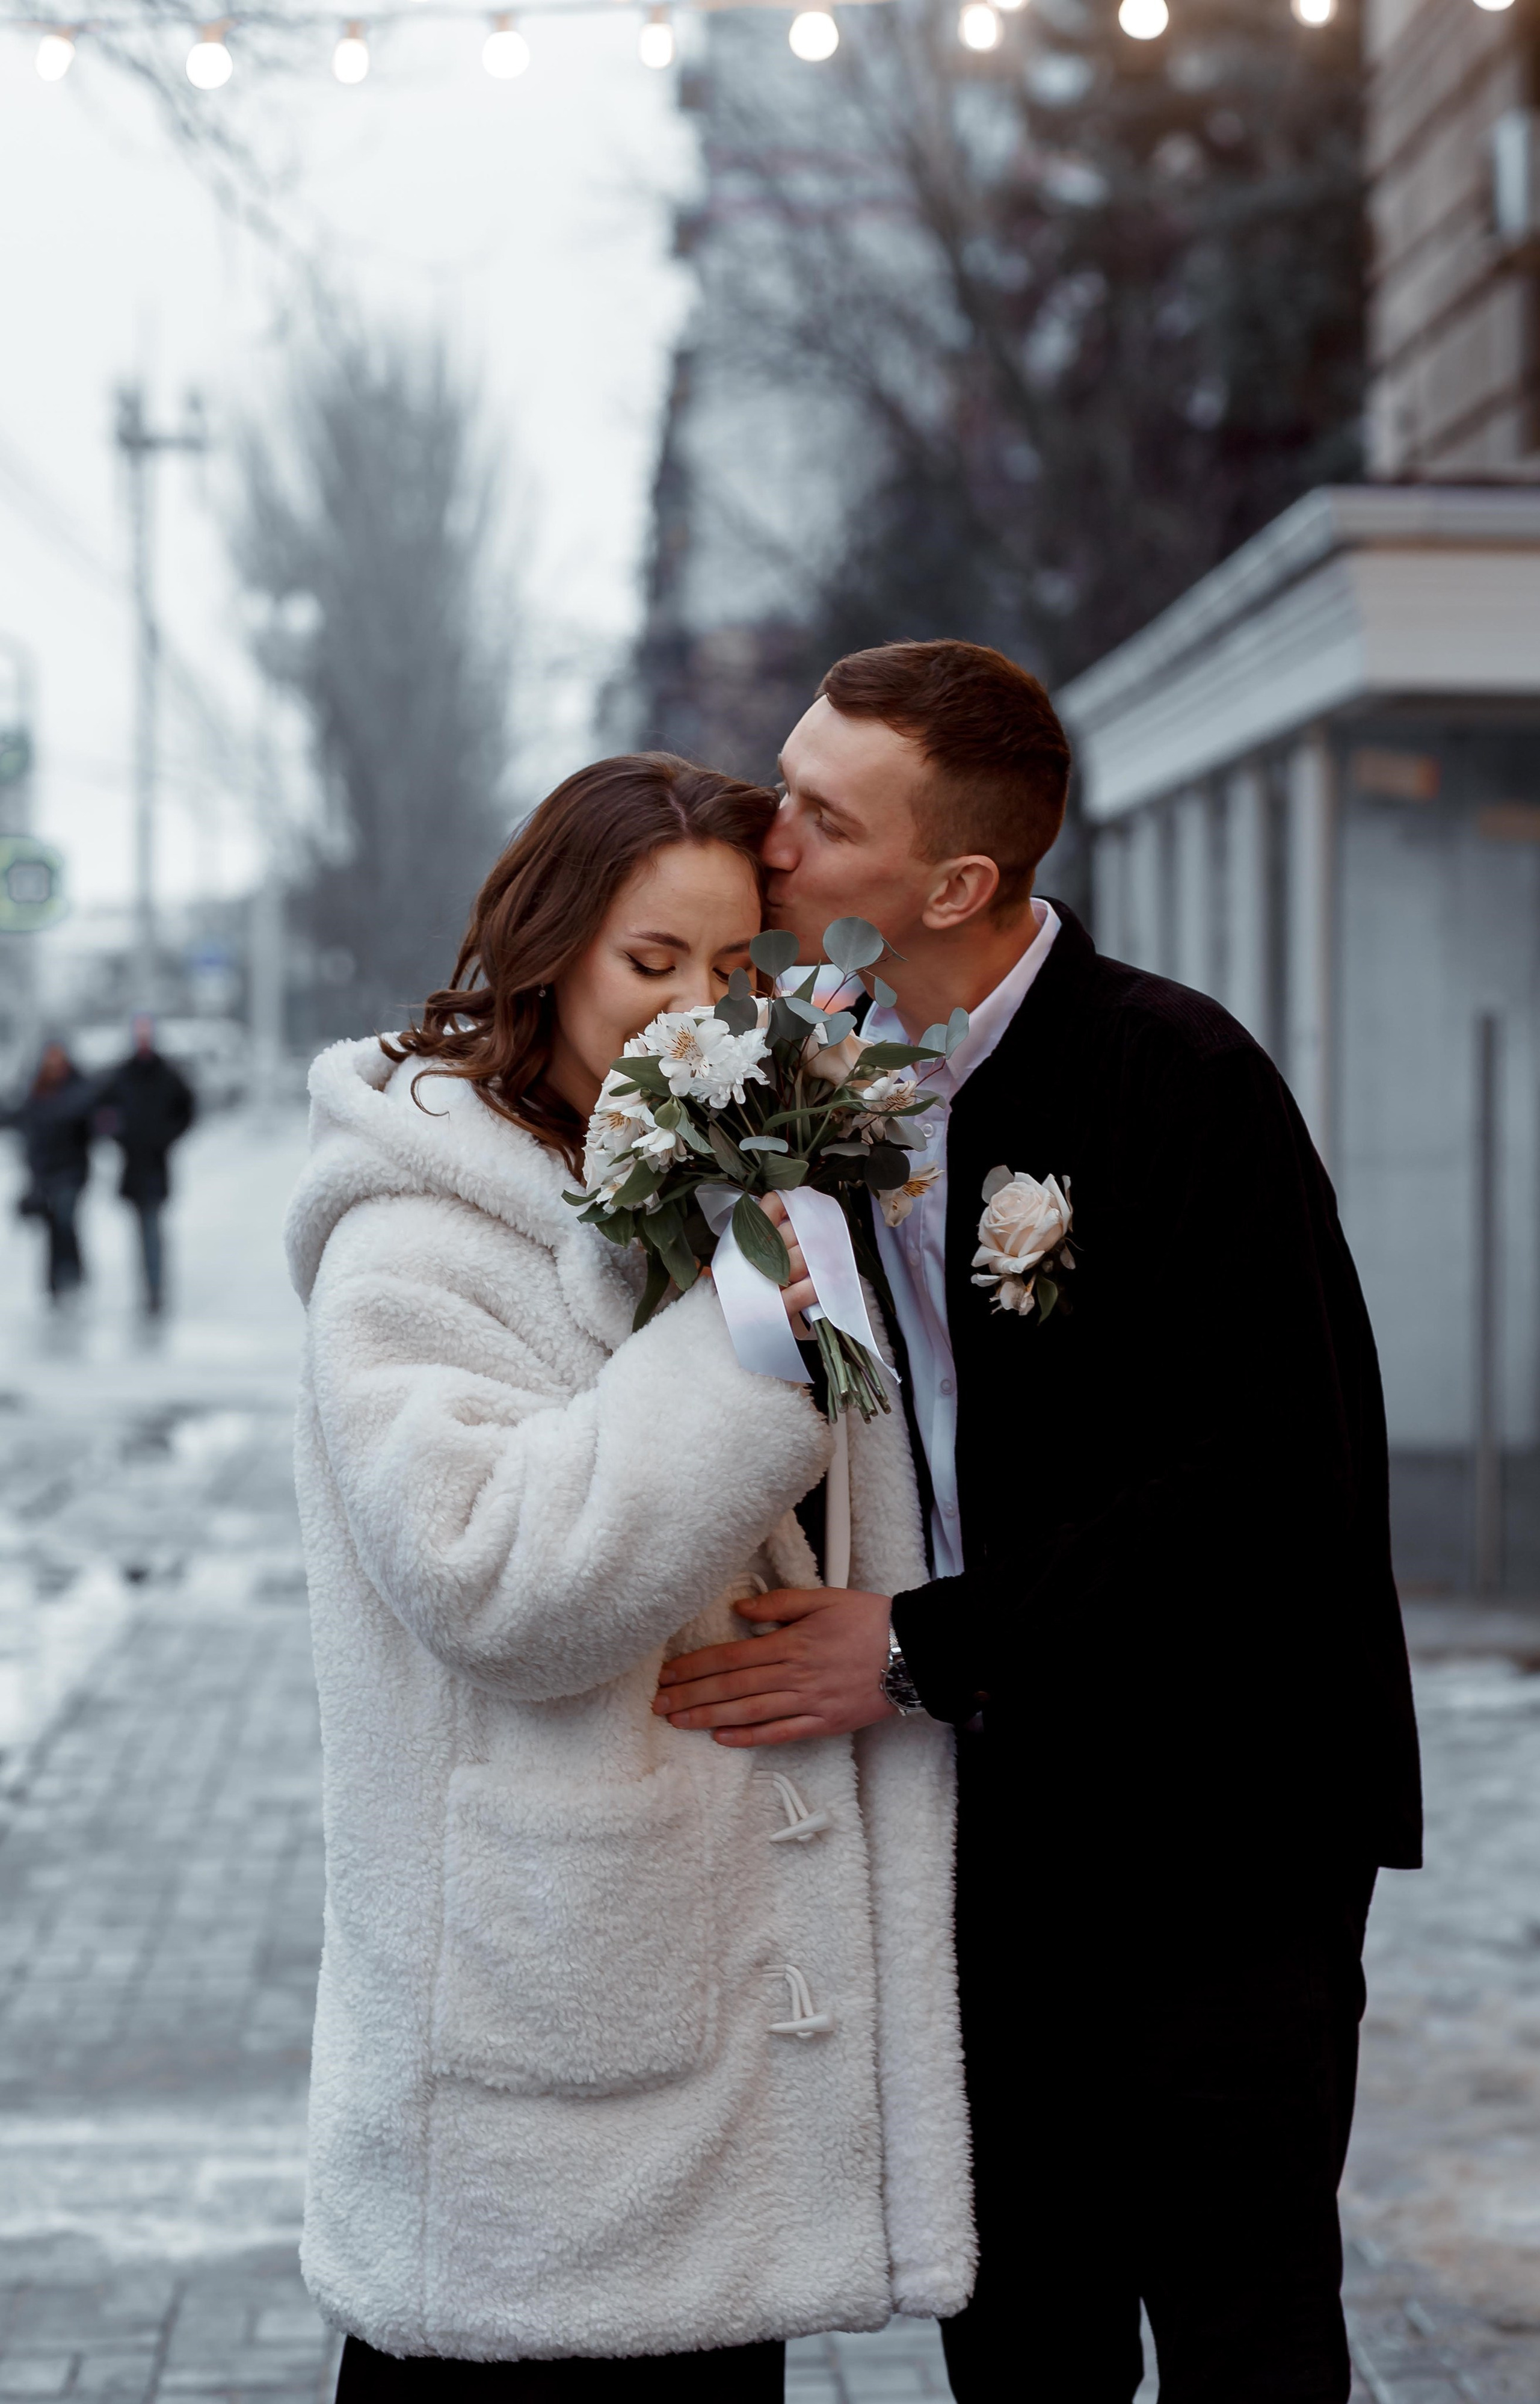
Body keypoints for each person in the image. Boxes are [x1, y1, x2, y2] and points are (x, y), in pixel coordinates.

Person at [655, 640, 1423, 2403]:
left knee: (1239, 2324)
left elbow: (1264, 1480)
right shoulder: (793, 1083)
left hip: (1216, 1820)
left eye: (820, 815)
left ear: (953, 883)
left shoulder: (1174, 1075)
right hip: (969, 1821)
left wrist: (921, 1641)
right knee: (1014, 2334)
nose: (768, 837)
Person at [283, 753, 974, 2392]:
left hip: (712, 2044)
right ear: (547, 954)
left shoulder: (731, 1181)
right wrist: (758, 1346)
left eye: (733, 967)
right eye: (649, 961)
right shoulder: (414, 1237)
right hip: (542, 2073)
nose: (693, 1012)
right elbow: (496, 1578)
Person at [96, 1015, 196, 1314]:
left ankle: (155, 1288)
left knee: (152, 1227)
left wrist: (167, 1136)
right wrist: (119, 1135)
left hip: (157, 1163)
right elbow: (102, 1110)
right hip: (132, 1164)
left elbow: (188, 1109)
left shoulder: (167, 1074)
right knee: (141, 1230)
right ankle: (148, 1286)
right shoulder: (121, 1075)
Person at [4, 1041, 97, 1300]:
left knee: (65, 1220)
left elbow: (92, 1124)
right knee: (52, 1226)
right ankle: (54, 1281)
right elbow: (16, 1120)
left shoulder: (78, 1092)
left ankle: (72, 1274)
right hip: (43, 1174)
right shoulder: (35, 1094)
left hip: (71, 1171)